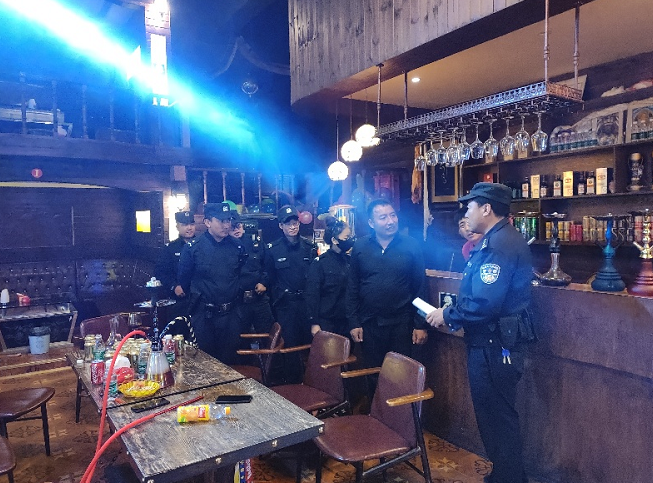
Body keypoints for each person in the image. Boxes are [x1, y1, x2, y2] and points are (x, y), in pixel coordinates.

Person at [425, 182, 533, 483]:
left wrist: (447, 314)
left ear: (486, 209)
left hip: (494, 345)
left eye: (470, 207)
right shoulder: (496, 240)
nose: (466, 213)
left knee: (497, 417)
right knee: (494, 417)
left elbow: (485, 303)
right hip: (490, 342)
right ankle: (506, 476)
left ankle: (510, 479)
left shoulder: (498, 245)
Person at [346, 199, 429, 371]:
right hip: (369, 323)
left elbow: (421, 287)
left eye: (393, 215)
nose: (390, 221)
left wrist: (420, 325)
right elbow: (352, 286)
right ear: (371, 223)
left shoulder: (411, 245)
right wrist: (354, 322)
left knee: (401, 373)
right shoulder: (360, 246)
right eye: (383, 217)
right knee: (372, 372)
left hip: (402, 323)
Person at [177, 202, 247, 363]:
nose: (226, 225)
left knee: (230, 362)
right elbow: (184, 281)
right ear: (207, 222)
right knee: (205, 362)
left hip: (231, 314)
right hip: (204, 316)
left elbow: (241, 274)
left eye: (228, 220)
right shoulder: (193, 248)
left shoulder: (237, 246)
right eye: (221, 221)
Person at [263, 205, 316, 383]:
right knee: (290, 346)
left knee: (311, 344)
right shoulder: (272, 249)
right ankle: (293, 384)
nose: (292, 227)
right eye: (288, 224)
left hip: (307, 304)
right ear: (281, 226)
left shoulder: (309, 247)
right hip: (286, 305)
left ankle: (312, 383)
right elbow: (270, 278)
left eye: (295, 223)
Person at [305, 216, 354, 338]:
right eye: (346, 238)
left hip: (347, 320)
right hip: (327, 321)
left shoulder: (349, 261)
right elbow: (312, 294)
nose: (350, 240)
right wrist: (314, 322)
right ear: (334, 240)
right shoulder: (320, 263)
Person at [229, 219, 274, 334]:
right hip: (237, 301)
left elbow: (268, 264)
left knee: (267, 335)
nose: (236, 230)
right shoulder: (224, 246)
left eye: (238, 226)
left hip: (258, 297)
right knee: (238, 338)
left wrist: (264, 282)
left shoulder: (255, 242)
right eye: (232, 227)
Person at [154, 210, 196, 325]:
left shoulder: (202, 245)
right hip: (179, 300)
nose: (189, 228)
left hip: (200, 300)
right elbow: (160, 272)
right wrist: (173, 286)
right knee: (178, 331)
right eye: (185, 225)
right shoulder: (170, 248)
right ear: (177, 226)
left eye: (192, 224)